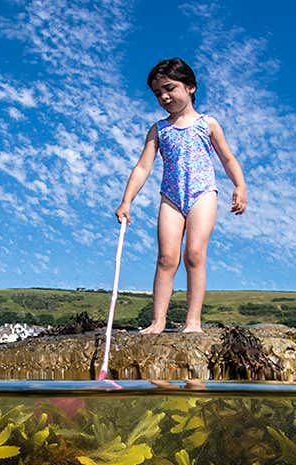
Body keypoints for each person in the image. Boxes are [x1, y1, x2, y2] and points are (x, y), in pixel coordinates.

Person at [114, 58, 247, 334]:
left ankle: (193, 322)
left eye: (169, 88)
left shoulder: (207, 124)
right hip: (171, 198)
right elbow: (142, 167)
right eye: (157, 93)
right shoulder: (159, 130)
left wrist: (240, 186)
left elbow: (227, 159)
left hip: (203, 193)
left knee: (195, 253)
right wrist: (127, 201)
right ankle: (158, 321)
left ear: (190, 88)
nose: (163, 96)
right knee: (166, 258)